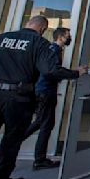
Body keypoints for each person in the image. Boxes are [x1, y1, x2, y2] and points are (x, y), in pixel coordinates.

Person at [0, 16, 87, 179]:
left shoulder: (1, 38)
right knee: (12, 138)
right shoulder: (38, 43)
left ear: (28, 24)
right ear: (43, 28)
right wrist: (76, 73)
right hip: (17, 97)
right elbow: (50, 70)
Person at [23, 27, 75, 170]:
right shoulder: (53, 50)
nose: (69, 37)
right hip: (45, 92)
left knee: (42, 122)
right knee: (45, 124)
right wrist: (75, 73)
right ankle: (38, 159)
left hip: (44, 92)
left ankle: (15, 143)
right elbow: (51, 71)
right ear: (60, 37)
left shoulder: (55, 50)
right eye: (67, 35)